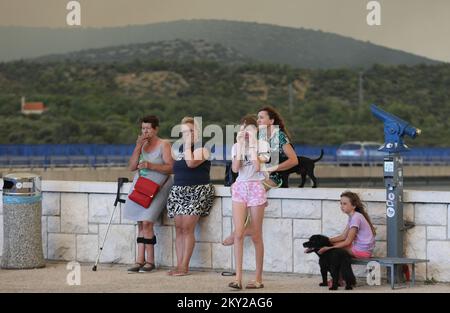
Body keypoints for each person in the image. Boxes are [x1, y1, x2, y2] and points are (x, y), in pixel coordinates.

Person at [123, 115, 174, 273]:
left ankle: (150, 261)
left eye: (148, 128)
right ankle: (139, 260)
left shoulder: (164, 144)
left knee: (147, 222)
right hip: (140, 186)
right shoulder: (142, 146)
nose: (145, 131)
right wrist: (138, 146)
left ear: (156, 129)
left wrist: (150, 165)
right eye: (143, 128)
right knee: (139, 222)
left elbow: (171, 168)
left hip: (158, 187)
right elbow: (131, 167)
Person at [166, 117, 215, 276]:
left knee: (187, 228)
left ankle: (184, 267)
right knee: (179, 228)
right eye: (185, 131)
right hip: (179, 191)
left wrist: (187, 145)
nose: (188, 134)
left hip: (197, 191)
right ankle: (178, 264)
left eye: (191, 131)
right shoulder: (178, 149)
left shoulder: (204, 148)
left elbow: (191, 163)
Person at [228, 115, 270, 290]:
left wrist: (252, 144)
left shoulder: (263, 146)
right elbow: (236, 169)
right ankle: (238, 278)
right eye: (243, 128)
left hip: (256, 188)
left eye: (249, 129)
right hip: (240, 187)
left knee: (256, 234)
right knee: (238, 233)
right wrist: (239, 146)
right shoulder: (236, 146)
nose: (245, 132)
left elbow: (257, 166)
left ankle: (258, 278)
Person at [318, 191, 376, 259]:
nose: (342, 206)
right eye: (341, 203)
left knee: (330, 246)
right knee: (328, 243)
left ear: (354, 206)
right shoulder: (353, 216)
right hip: (363, 251)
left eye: (345, 204)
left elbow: (348, 241)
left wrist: (329, 248)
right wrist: (327, 240)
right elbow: (343, 236)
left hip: (362, 252)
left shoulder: (356, 218)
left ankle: (332, 267)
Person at [257, 106, 299, 189]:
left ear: (271, 121)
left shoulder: (279, 136)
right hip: (259, 174)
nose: (258, 120)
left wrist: (271, 169)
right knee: (239, 187)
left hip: (276, 177)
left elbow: (294, 160)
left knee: (255, 189)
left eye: (261, 118)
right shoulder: (259, 135)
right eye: (258, 118)